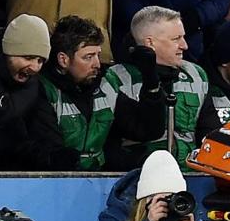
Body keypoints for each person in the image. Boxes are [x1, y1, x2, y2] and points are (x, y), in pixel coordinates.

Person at [29, 15, 165, 171]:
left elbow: (147, 130)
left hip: (98, 181)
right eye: (88, 57)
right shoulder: (43, 89)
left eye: (98, 55)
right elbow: (49, 153)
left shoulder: (106, 84)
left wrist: (151, 82)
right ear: (63, 60)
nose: (97, 64)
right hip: (57, 183)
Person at [82, 149, 223, 221]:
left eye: (173, 199)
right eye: (162, 200)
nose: (169, 207)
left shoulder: (186, 218)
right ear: (146, 201)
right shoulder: (117, 217)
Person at [106, 6, 210, 167]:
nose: (185, 45)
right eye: (176, 39)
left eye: (183, 37)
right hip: (141, 175)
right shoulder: (116, 79)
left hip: (192, 174)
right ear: (150, 42)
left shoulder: (196, 74)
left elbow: (208, 132)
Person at [0, 14, 51, 169]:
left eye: (40, 60)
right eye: (28, 57)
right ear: (8, 51)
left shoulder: (34, 86)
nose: (34, 67)